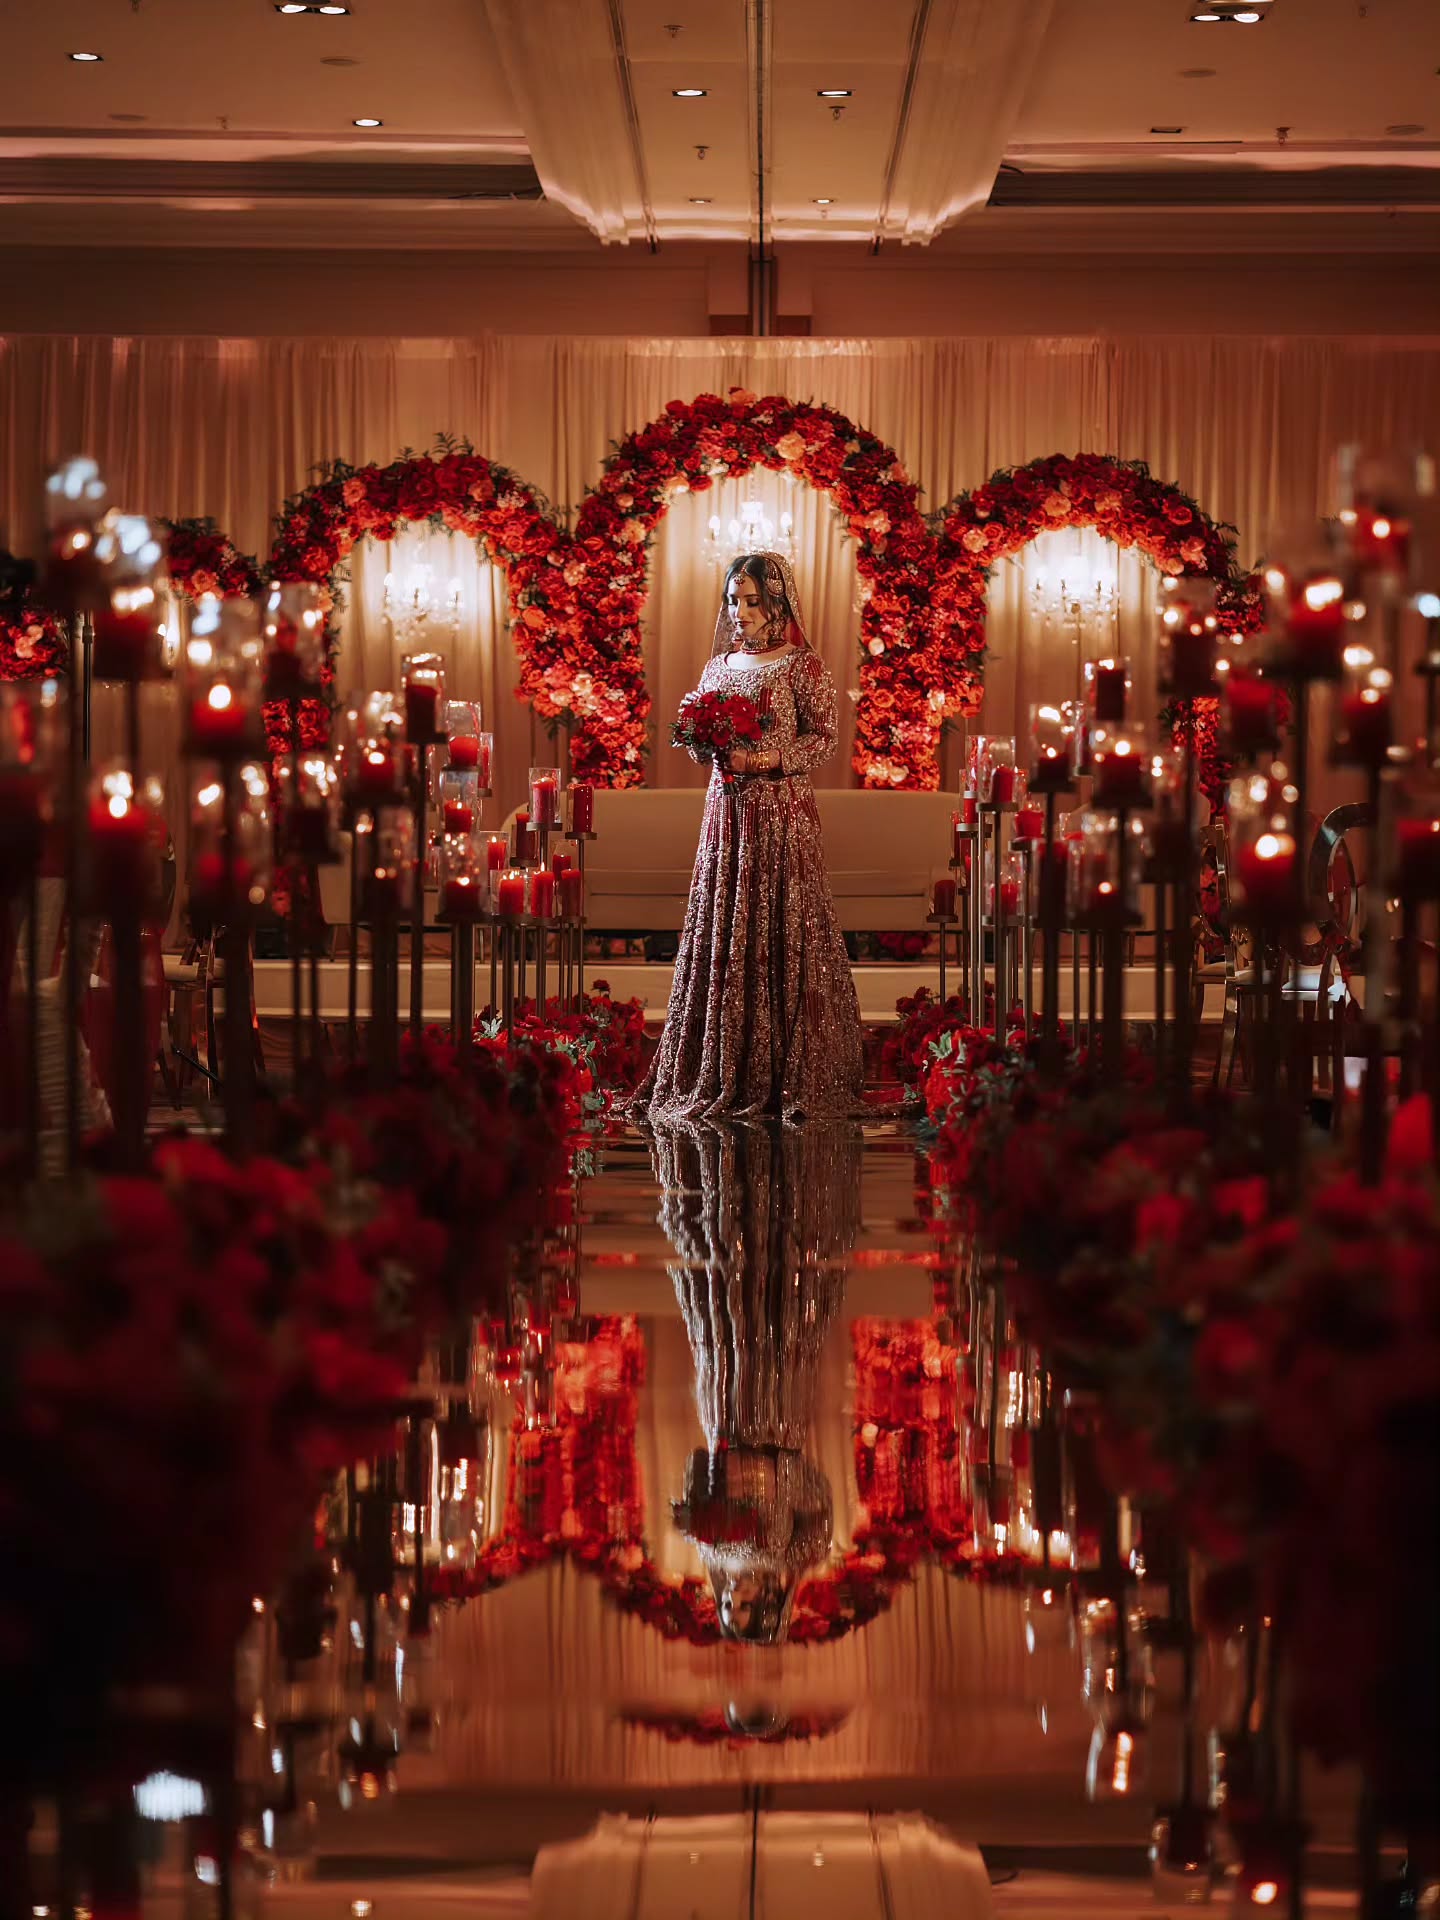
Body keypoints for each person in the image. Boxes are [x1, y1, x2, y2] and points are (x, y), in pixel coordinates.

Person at [632, 551, 864, 1125]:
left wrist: (761, 760)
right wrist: (701, 741)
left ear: (777, 603)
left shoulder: (801, 667)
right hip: (727, 817)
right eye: (734, 600)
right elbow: (696, 732)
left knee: (784, 924)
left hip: (782, 815)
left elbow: (825, 739)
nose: (740, 612)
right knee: (727, 922)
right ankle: (721, 1062)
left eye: (752, 601)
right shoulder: (718, 667)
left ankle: (787, 1073)